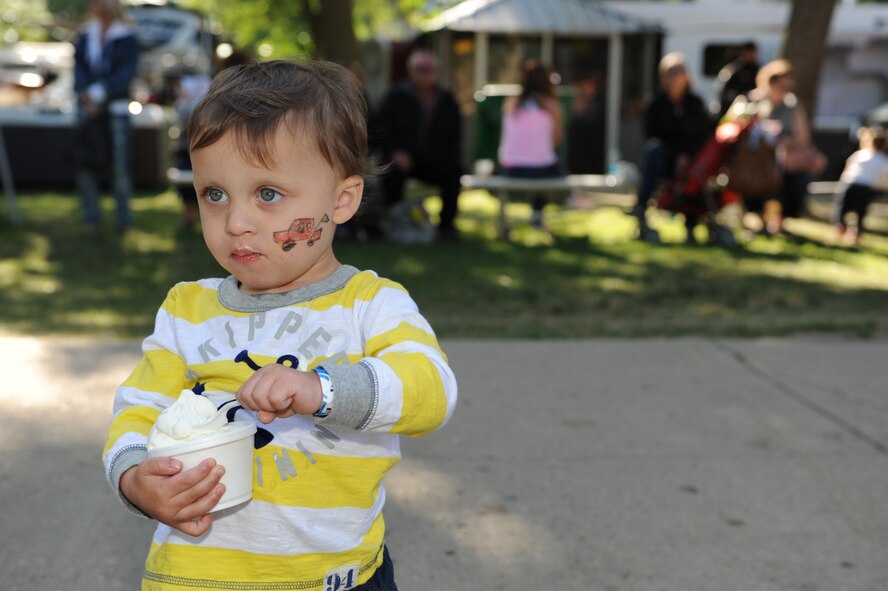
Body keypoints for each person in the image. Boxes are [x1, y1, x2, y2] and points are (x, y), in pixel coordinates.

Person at [101, 60, 458, 591]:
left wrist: (323, 389)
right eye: (214, 194)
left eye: (267, 194)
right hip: (195, 576)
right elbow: (137, 409)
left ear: (342, 200)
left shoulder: (370, 305)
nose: (236, 222)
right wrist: (133, 478)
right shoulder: (186, 310)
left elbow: (432, 390)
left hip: (334, 576)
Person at [377, 50, 462, 241]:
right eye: (420, 69)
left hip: (434, 160)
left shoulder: (446, 100)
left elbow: (455, 137)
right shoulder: (396, 96)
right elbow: (381, 130)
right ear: (411, 71)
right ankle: (393, 223)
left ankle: (446, 227)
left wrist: (447, 158)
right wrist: (395, 152)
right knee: (392, 172)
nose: (425, 74)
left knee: (454, 171)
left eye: (429, 69)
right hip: (402, 157)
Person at [72, 0, 139, 234]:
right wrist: (86, 94)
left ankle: (123, 219)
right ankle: (91, 218)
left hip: (116, 109)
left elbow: (126, 73)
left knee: (121, 168)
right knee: (85, 162)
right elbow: (79, 67)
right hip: (87, 110)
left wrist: (99, 93)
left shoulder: (126, 36)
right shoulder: (85, 34)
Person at [632, 52, 713, 242]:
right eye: (670, 73)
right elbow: (652, 134)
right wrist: (677, 154)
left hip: (692, 161)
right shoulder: (655, 104)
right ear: (663, 77)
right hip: (664, 160)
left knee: (699, 168)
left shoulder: (695, 104)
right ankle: (641, 206)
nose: (675, 78)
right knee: (654, 149)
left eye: (679, 72)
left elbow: (703, 135)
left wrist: (686, 154)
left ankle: (692, 224)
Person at [746, 59, 825, 233]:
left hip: (786, 157)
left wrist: (781, 142)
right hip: (757, 157)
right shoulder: (754, 101)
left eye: (787, 87)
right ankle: (759, 218)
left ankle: (780, 220)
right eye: (781, 86)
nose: (784, 91)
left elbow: (803, 138)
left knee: (792, 178)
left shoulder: (792, 105)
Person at [497, 59, 564, 230]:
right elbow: (556, 139)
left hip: (511, 167)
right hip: (541, 169)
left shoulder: (511, 103)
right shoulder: (552, 105)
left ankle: (506, 221)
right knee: (550, 161)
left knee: (545, 160)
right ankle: (538, 216)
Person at [833, 126, 888, 245]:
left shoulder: (860, 154)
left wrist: (843, 182)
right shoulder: (883, 160)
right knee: (860, 212)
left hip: (850, 184)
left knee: (842, 208)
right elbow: (884, 178)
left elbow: (848, 167)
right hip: (865, 188)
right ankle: (855, 233)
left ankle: (840, 227)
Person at [566, 71, 605, 175]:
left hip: (594, 152)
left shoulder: (600, 104)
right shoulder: (576, 101)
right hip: (578, 154)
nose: (587, 88)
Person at [717, 41, 760, 119]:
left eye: (753, 52)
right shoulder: (733, 70)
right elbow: (725, 93)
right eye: (749, 52)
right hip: (735, 110)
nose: (752, 55)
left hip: (756, 110)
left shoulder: (760, 70)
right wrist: (744, 96)